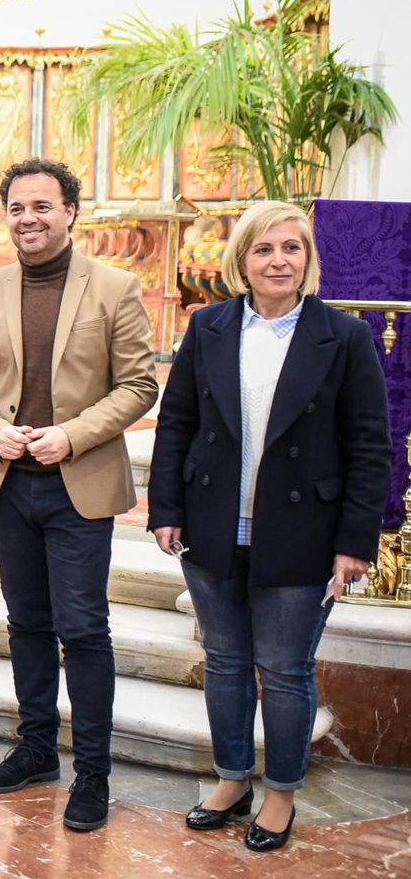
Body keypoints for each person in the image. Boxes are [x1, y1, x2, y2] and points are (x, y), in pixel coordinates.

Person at [148, 201, 389, 852]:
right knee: (225, 662)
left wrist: (355, 541)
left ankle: (280, 791)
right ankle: (232, 780)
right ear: (242, 260)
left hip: (304, 532)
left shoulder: (344, 337)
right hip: (213, 527)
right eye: (264, 249)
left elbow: (370, 446)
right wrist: (165, 508)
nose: (279, 259)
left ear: (307, 260)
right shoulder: (210, 327)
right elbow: (177, 425)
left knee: (284, 670)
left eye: (292, 248)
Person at [0, 158, 157, 831]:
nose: (28, 218)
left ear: (71, 210)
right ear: (3, 215)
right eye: (16, 207)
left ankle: (93, 771)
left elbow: (138, 385)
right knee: (26, 623)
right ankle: (38, 747)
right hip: (10, 482)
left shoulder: (116, 287)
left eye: (42, 205)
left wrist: (70, 434)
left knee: (84, 628)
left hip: (78, 483)